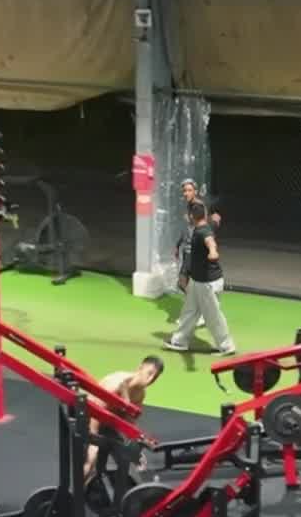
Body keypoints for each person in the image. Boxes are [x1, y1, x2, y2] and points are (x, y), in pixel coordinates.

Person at [83, 355, 164, 483]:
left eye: (155, 377)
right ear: (140, 368)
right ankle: (74, 497)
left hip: (108, 422)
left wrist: (137, 445)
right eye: (150, 373)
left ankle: (101, 488)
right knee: (92, 458)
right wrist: (94, 440)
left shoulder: (140, 394)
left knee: (125, 455)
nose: (151, 379)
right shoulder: (116, 383)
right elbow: (95, 410)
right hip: (89, 416)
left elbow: (128, 421)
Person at [168, 200, 234, 355]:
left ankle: (226, 345)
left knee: (213, 316)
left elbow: (210, 242)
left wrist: (213, 252)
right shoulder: (198, 229)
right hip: (198, 281)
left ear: (191, 216)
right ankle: (179, 341)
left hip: (208, 283)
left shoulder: (203, 231)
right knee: (189, 311)